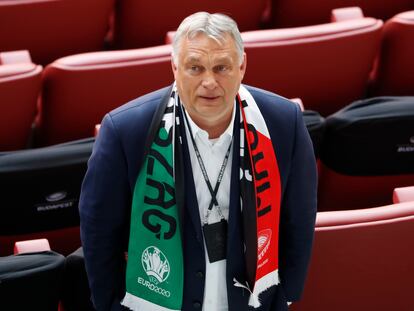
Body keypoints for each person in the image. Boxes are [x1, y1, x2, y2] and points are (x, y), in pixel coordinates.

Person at [79, 12, 317, 311]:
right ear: (175, 67)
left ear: (241, 66)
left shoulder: (283, 123)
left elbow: (299, 220)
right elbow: (99, 232)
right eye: (195, 67)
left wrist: (285, 297)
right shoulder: (125, 131)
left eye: (221, 67)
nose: (209, 82)